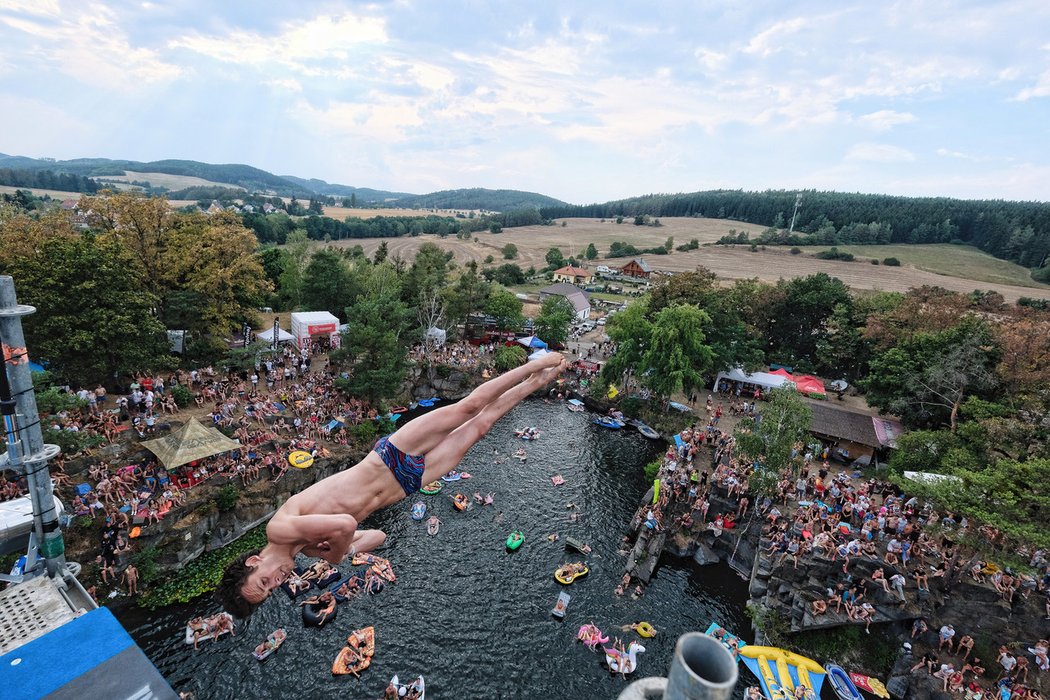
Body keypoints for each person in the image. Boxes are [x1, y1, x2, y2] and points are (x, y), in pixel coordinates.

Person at [217, 354, 566, 617]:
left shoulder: (279, 530)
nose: (277, 582)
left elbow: (346, 524)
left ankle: (536, 364)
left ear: (253, 561)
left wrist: (337, 555)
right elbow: (377, 538)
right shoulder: (307, 551)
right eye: (272, 590)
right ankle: (538, 381)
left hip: (390, 457)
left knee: (469, 407)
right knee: (480, 426)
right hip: (406, 484)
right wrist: (345, 550)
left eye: (265, 581)